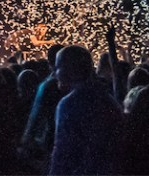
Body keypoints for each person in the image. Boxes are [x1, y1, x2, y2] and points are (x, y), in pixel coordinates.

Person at [48, 45, 123, 175]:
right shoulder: (107, 99)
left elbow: (62, 154)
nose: (55, 73)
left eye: (58, 67)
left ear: (69, 69)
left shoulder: (69, 104)